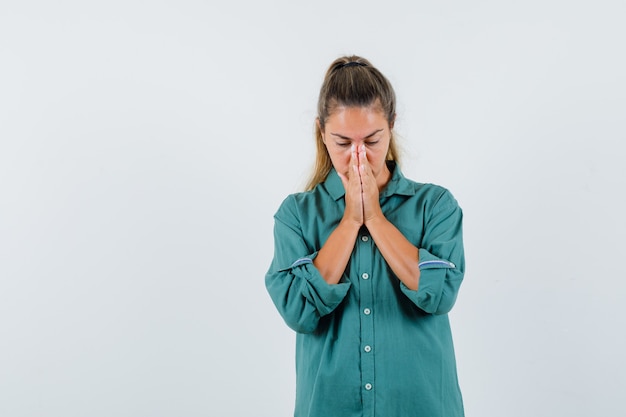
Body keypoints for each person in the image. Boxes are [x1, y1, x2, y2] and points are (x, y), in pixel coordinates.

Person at [265, 55, 465, 417]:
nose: (359, 156)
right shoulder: (297, 215)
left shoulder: (436, 205)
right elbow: (298, 310)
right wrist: (349, 222)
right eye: (342, 143)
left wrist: (374, 216)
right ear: (321, 134)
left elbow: (440, 293)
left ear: (391, 126)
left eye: (372, 140)